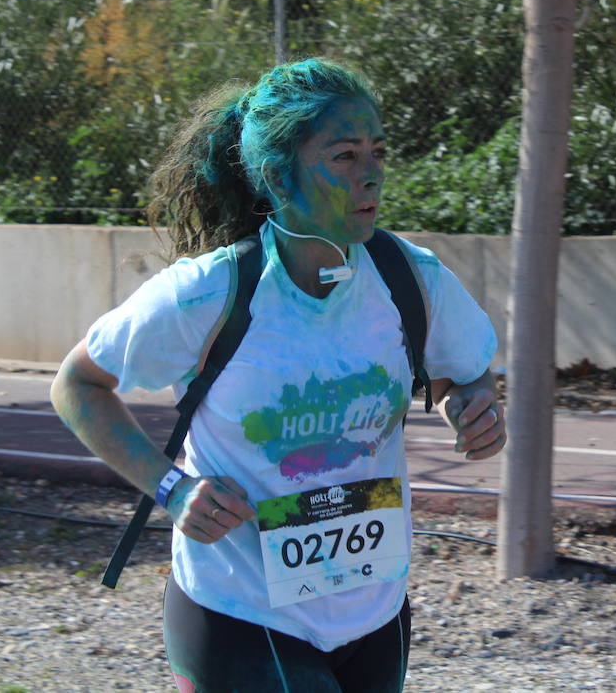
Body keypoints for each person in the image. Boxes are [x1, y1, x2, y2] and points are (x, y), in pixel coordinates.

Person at [49, 58, 506, 693]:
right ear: (277, 177)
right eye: (344, 155)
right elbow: (76, 386)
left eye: (378, 150)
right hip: (241, 609)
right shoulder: (209, 293)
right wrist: (172, 489)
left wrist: (477, 402)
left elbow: (471, 373)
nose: (371, 172)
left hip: (373, 610)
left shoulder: (412, 278)